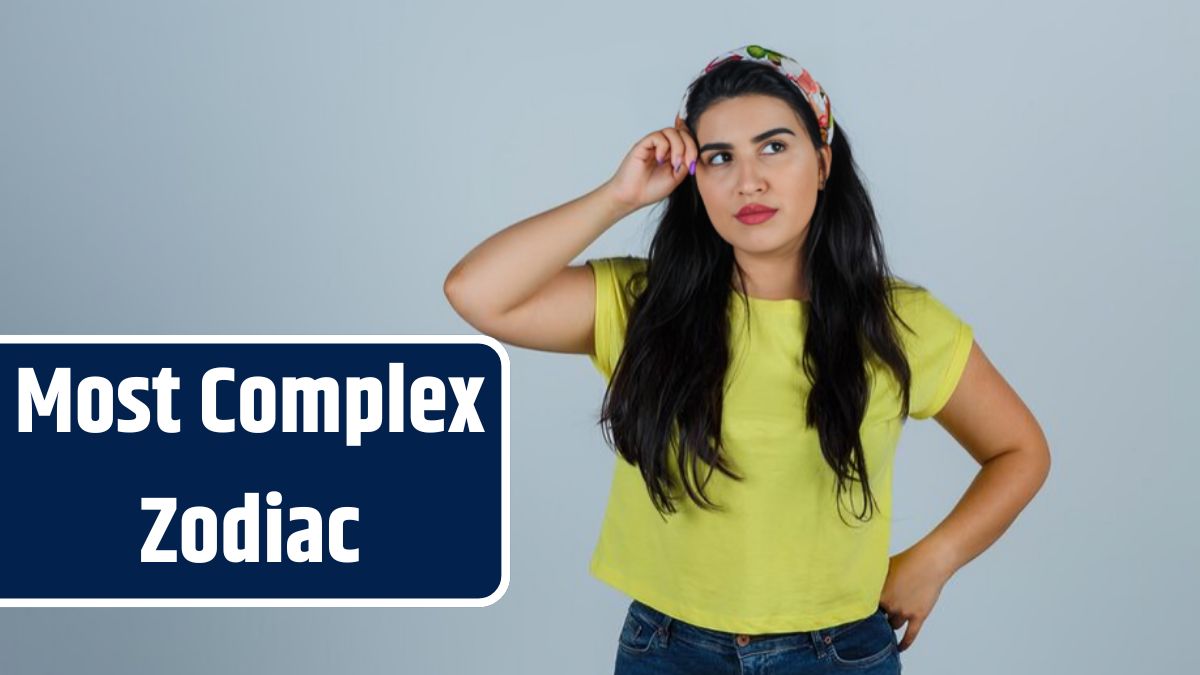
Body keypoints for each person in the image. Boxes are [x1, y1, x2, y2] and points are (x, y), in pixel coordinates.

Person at [444, 44, 1051, 675]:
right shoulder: (645, 307)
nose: (748, 181)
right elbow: (476, 292)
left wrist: (934, 559)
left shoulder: (900, 322)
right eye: (719, 158)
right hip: (667, 650)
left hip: (835, 653)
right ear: (693, 177)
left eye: (774, 147)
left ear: (821, 164)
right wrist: (619, 196)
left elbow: (1019, 451)